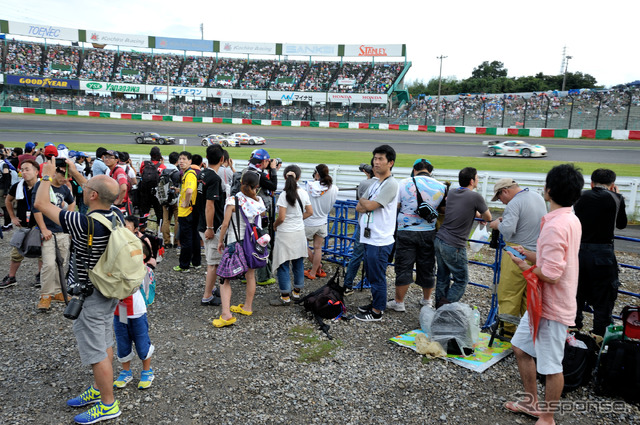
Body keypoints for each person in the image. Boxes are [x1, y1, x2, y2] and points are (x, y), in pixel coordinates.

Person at [34, 158, 124, 424]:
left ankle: (108, 405)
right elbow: (100, 191)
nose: (83, 190)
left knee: (96, 351)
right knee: (105, 340)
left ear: (93, 196)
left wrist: (46, 176)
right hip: (109, 288)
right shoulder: (113, 214)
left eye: (88, 190)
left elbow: (40, 204)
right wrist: (75, 173)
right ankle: (99, 389)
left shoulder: (82, 223)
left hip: (90, 295)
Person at [504, 164, 583, 425]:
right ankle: (531, 402)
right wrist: (528, 254)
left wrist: (524, 265)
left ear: (548, 191)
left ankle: (547, 417)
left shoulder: (554, 226)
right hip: (542, 302)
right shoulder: (570, 218)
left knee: (551, 365)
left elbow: (551, 274)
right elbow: (553, 261)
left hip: (552, 305)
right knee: (520, 347)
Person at [488, 178, 546, 336]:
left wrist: (497, 225)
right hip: (535, 254)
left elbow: (508, 231)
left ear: (505, 191)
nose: (501, 202)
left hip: (516, 252)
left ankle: (508, 331)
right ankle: (528, 330)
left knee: (509, 292)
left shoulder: (514, 203)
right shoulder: (537, 197)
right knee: (528, 294)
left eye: (500, 197)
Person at [388, 159, 446, 312]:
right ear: (430, 171)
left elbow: (397, 206)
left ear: (414, 169)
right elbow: (443, 210)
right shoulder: (441, 186)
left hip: (405, 230)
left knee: (403, 266)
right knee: (427, 266)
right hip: (429, 231)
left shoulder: (403, 183)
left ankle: (399, 302)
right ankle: (427, 300)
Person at [574, 168, 627, 336]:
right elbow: (621, 224)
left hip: (579, 251)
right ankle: (598, 338)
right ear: (612, 185)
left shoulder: (580, 196)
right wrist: (618, 197)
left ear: (591, 183)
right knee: (603, 300)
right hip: (603, 254)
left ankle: (573, 333)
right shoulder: (616, 198)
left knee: (576, 294)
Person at [434, 167, 492, 308]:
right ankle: (445, 309)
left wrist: (477, 214)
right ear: (472, 181)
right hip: (454, 244)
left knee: (443, 276)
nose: (477, 180)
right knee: (461, 279)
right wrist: (480, 215)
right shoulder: (475, 197)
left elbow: (462, 208)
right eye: (477, 178)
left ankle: (438, 307)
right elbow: (488, 217)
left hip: (440, 239)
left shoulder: (453, 192)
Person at [354, 145, 399, 322]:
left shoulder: (391, 184)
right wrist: (366, 202)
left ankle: (377, 311)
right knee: (372, 274)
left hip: (380, 239)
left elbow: (370, 206)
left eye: (381, 159)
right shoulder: (375, 183)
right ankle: (375, 303)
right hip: (369, 237)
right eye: (375, 158)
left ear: (391, 163)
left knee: (377, 275)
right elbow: (359, 206)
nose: (376, 162)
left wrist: (367, 202)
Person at [214, 171, 265, 327]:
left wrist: (220, 241)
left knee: (225, 279)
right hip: (253, 244)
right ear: (256, 186)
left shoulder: (233, 201)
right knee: (250, 276)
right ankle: (247, 307)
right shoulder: (259, 202)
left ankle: (226, 314)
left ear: (241, 182)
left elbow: (225, 224)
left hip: (235, 243)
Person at [112, 216, 156, 390]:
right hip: (120, 309)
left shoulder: (141, 268)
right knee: (122, 340)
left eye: (126, 227)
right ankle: (126, 372)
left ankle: (147, 371)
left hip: (137, 310)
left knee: (141, 339)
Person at [31, 150, 75, 310]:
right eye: (63, 175)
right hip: (48, 232)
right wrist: (43, 229)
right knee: (49, 264)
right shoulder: (42, 185)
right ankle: (45, 295)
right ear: (54, 172)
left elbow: (71, 201)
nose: (66, 179)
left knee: (60, 263)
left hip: (62, 231)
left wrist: (69, 220)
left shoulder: (64, 189)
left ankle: (57, 291)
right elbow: (36, 209)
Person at [271, 165, 313, 306]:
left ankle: (285, 296)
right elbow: (310, 211)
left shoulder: (283, 195)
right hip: (299, 232)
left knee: (283, 263)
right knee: (298, 262)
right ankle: (296, 292)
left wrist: (275, 225)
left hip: (285, 233)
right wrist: (298, 218)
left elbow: (281, 217)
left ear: (285, 177)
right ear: (299, 177)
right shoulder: (304, 193)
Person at [0, 159, 41, 289]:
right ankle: (11, 277)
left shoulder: (43, 186)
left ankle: (40, 276)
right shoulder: (18, 186)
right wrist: (13, 217)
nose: (23, 172)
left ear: (36, 171)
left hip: (40, 226)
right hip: (23, 225)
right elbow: (8, 201)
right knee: (16, 252)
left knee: (41, 252)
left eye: (27, 169)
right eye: (22, 170)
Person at [197, 145, 226, 306]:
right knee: (213, 262)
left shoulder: (202, 173)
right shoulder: (214, 178)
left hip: (202, 221)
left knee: (212, 259)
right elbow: (210, 204)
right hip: (211, 226)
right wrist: (210, 228)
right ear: (222, 159)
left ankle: (212, 288)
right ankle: (207, 296)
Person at [343, 163, 374, 295]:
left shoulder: (364, 184)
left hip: (363, 222)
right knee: (374, 256)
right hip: (378, 226)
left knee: (357, 255)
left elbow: (359, 201)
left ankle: (347, 285)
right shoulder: (387, 184)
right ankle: (372, 285)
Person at [304, 164, 338, 279]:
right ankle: (314, 272)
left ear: (317, 174)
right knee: (318, 248)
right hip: (323, 221)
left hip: (309, 221)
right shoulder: (334, 188)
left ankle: (317, 267)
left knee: (302, 245)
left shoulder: (309, 185)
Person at [173, 151, 200, 272]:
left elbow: (189, 191)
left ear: (190, 161)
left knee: (186, 239)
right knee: (194, 236)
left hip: (186, 211)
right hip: (192, 210)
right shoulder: (187, 174)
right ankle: (196, 262)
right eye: (180, 159)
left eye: (184, 159)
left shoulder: (189, 174)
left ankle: (184, 265)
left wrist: (186, 202)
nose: (181, 161)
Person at [160, 151, 181, 248]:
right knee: (177, 221)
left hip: (164, 198)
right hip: (175, 199)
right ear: (177, 160)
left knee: (166, 220)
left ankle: (167, 242)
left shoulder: (164, 171)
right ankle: (176, 242)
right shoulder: (177, 173)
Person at [138, 147, 165, 220]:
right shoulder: (162, 166)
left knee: (144, 212)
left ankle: (142, 227)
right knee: (159, 213)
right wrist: (162, 163)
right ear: (159, 155)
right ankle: (159, 230)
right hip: (156, 193)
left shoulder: (144, 163)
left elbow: (141, 174)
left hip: (144, 192)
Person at [104, 150, 132, 215]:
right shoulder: (112, 171)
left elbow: (124, 188)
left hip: (122, 205)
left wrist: (119, 200)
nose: (107, 159)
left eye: (110, 157)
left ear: (117, 160)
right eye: (106, 157)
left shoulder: (119, 171)